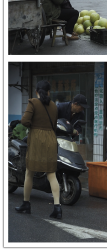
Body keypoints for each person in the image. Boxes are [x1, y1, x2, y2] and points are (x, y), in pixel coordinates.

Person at [15, 81, 63, 219]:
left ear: (37, 91)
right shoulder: (54, 106)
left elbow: (24, 121)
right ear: (48, 92)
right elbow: (54, 125)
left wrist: (34, 126)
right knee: (51, 173)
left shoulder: (33, 102)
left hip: (36, 139)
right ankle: (57, 207)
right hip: (50, 139)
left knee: (30, 172)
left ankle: (26, 203)